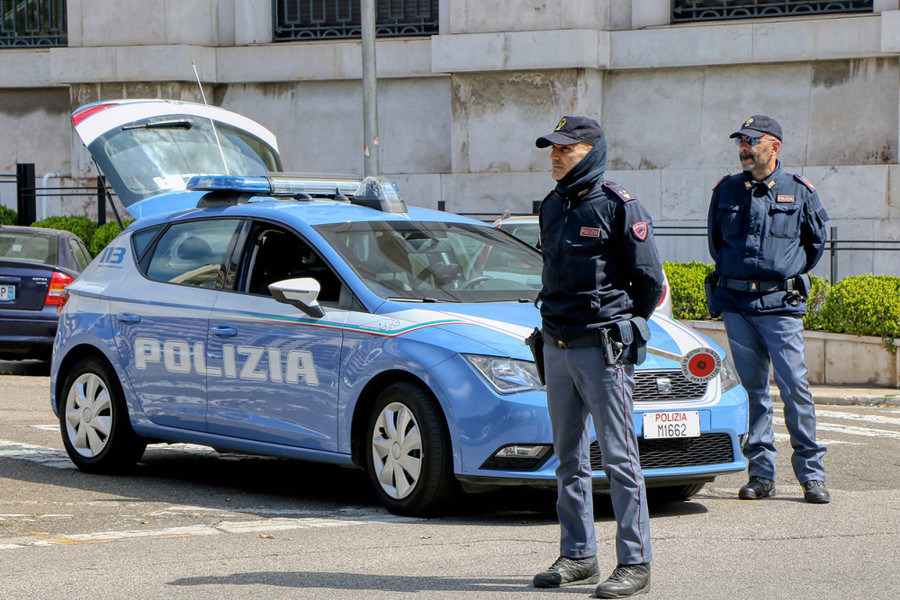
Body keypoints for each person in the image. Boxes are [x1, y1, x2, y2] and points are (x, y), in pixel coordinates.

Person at [531, 116, 664, 598]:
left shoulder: (617, 205)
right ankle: (579, 555)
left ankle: (634, 562)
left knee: (619, 459)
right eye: (552, 148)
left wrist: (620, 323)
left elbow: (648, 282)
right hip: (557, 344)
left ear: (590, 152)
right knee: (568, 458)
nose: (555, 156)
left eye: (564, 149)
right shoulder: (552, 204)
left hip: (602, 350)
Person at [707, 114, 831, 504]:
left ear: (773, 146)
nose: (744, 148)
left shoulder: (799, 190)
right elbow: (716, 244)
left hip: (780, 306)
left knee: (794, 387)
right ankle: (761, 476)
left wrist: (782, 273)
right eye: (740, 142)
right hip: (738, 305)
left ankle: (811, 475)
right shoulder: (726, 190)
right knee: (753, 392)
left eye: (751, 141)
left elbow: (815, 245)